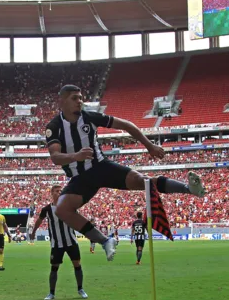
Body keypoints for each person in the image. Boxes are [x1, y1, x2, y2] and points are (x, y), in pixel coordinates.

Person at [45, 85, 206, 261]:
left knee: (142, 181)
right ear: (62, 101)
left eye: (81, 97)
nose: (80, 101)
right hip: (80, 178)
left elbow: (126, 125)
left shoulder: (89, 117)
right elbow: (55, 156)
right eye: (74, 98)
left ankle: (189, 189)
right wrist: (76, 156)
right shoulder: (54, 126)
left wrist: (149, 145)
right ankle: (105, 241)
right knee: (62, 209)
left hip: (101, 168)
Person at [30, 185, 88, 300]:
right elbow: (39, 220)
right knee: (54, 267)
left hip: (71, 241)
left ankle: (80, 289)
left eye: (60, 191)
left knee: (77, 264)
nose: (59, 192)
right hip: (57, 244)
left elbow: (77, 219)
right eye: (57, 191)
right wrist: (33, 232)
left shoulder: (69, 207)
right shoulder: (46, 209)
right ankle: (51, 293)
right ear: (51, 193)